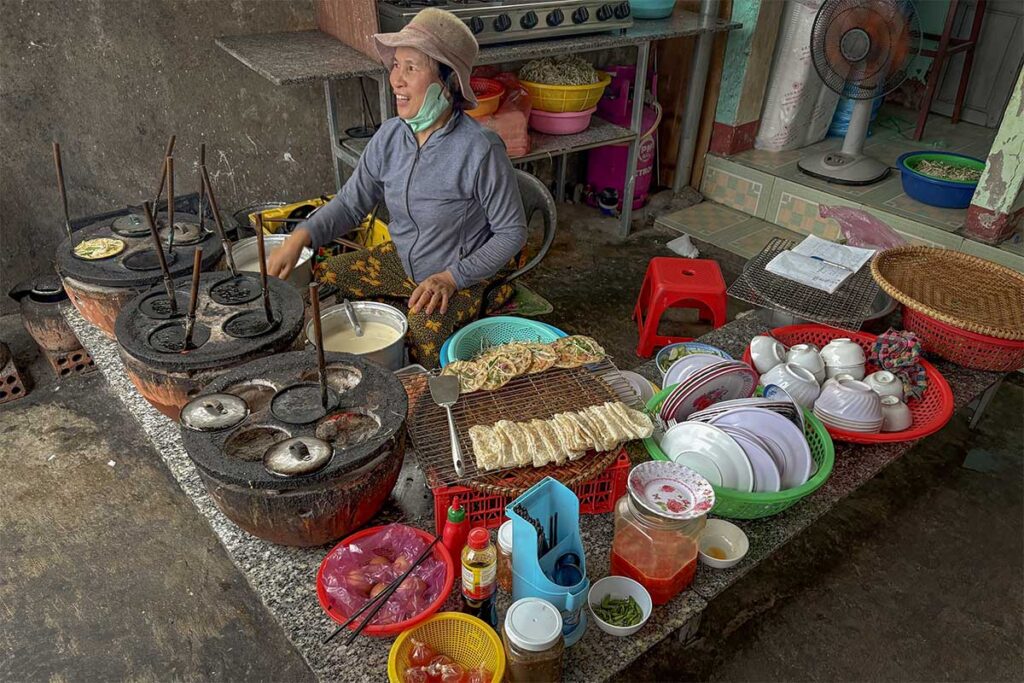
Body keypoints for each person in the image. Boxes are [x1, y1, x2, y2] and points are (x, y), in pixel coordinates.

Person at [268, 8, 528, 368]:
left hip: (458, 273)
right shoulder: (390, 136)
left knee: (421, 334)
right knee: (327, 276)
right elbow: (350, 204)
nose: (396, 81)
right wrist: (302, 236)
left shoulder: (479, 149)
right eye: (395, 66)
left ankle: (488, 295)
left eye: (412, 67)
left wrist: (452, 278)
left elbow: (512, 232)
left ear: (448, 82)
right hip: (404, 261)